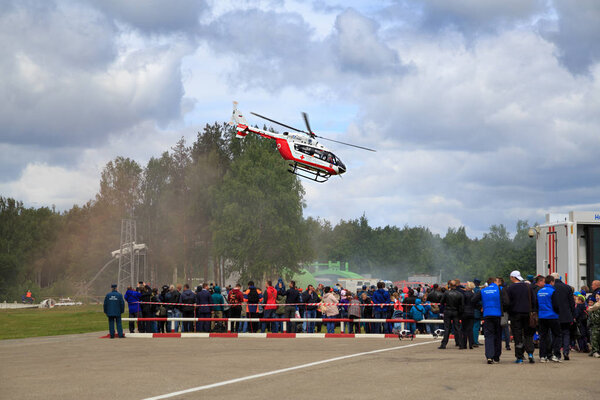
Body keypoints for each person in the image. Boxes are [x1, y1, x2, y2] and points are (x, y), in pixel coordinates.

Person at [505, 270, 536, 364]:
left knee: (518, 335)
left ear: (513, 278)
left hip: (515, 314)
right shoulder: (528, 286)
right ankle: (530, 353)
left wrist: (509, 311)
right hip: (527, 313)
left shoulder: (510, 288)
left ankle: (520, 357)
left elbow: (507, 302)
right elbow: (534, 300)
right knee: (528, 334)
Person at [472, 277, 503, 363]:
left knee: (489, 336)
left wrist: (480, 307)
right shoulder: (499, 290)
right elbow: (506, 302)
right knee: (497, 336)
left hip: (487, 315)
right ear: (494, 282)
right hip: (497, 315)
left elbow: (473, 300)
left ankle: (489, 356)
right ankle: (496, 356)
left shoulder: (483, 291)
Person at [537, 275, 562, 363]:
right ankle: (556, 355)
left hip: (542, 316)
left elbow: (537, 305)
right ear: (552, 282)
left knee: (543, 337)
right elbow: (556, 305)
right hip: (552, 316)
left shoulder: (539, 291)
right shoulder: (553, 291)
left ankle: (542, 356)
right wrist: (558, 312)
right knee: (557, 335)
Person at [551, 273, 575, 360]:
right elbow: (572, 303)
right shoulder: (567, 287)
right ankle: (566, 351)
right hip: (566, 315)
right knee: (566, 333)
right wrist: (573, 314)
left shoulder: (552, 288)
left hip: (555, 314)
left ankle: (556, 352)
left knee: (555, 334)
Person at [439, 280, 464, 349]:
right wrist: (460, 313)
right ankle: (461, 344)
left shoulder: (446, 293)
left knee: (447, 328)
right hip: (456, 311)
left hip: (447, 311)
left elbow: (441, 302)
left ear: (450, 285)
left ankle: (443, 344)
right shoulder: (460, 294)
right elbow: (462, 305)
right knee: (457, 328)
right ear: (456, 285)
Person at [461, 282, 476, 349]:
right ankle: (471, 344)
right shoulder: (474, 294)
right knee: (470, 329)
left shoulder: (464, 294)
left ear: (468, 287)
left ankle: (464, 344)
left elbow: (462, 304)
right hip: (472, 312)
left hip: (465, 312)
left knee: (464, 329)